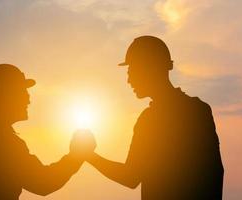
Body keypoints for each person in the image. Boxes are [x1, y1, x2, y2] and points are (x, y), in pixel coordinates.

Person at [86, 36, 224, 199]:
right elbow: (215, 172)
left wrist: (89, 156)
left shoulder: (150, 121)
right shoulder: (199, 110)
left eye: (132, 71)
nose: (129, 80)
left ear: (149, 69)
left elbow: (130, 177)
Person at [0, 64, 95, 200]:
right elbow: (43, 183)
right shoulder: (0, 140)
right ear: (6, 95)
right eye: (22, 91)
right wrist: (77, 155)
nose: (28, 99)